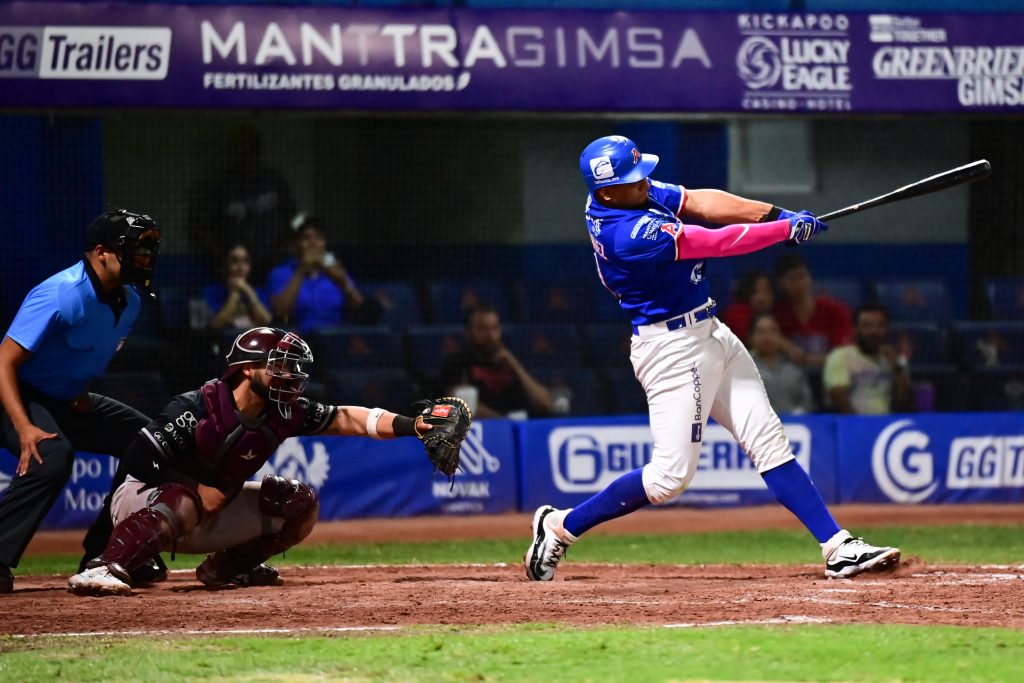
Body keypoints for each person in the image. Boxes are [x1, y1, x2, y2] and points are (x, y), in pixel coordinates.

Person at [524, 135, 899, 583]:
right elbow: (715, 242)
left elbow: (701, 202)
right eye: (632, 180)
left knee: (767, 439)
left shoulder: (626, 193)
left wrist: (775, 214)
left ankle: (837, 546)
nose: (643, 183)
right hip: (671, 349)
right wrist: (783, 232)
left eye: (642, 174)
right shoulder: (627, 233)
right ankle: (560, 526)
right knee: (669, 478)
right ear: (607, 191)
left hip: (710, 331)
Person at [67, 327, 458, 596]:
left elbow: (345, 417)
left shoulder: (284, 411)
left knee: (296, 503)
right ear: (248, 368)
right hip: (145, 500)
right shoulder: (197, 406)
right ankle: (105, 565)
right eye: (281, 365)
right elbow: (137, 457)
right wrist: (194, 487)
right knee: (180, 498)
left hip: (207, 510)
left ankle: (225, 568)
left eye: (293, 367)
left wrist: (414, 425)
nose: (291, 375)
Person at [0, 209, 162, 593]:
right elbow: (4, 361)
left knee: (153, 443)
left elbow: (82, 354)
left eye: (148, 250)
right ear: (101, 252)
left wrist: (77, 392)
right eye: (135, 249)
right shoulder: (60, 293)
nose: (144, 258)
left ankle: (109, 554)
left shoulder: (132, 302)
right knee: (50, 457)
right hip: (14, 394)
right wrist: (25, 427)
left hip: (65, 398)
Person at [186, 124, 297, 280]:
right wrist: (221, 257)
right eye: (240, 148)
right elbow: (199, 226)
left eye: (250, 148)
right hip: (231, 268)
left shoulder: (274, 181)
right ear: (232, 152)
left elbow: (295, 220)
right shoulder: (219, 185)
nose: (245, 154)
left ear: (258, 151)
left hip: (271, 264)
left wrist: (280, 252)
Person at [268, 213, 380, 333]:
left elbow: (361, 312)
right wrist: (301, 270)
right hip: (299, 341)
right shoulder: (280, 273)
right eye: (306, 238)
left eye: (319, 238)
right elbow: (279, 313)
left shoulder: (335, 271)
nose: (313, 243)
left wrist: (343, 282)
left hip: (334, 339)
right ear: (295, 245)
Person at [438, 304, 554, 419]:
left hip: (521, 425)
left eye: (495, 328)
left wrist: (514, 364)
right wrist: (504, 422)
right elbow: (462, 405)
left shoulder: (513, 359)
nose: (491, 336)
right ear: (468, 332)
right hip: (485, 429)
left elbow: (546, 403)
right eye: (482, 329)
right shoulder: (457, 362)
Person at [823, 304, 914, 415]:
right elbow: (838, 396)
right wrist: (859, 424)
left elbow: (906, 401)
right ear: (855, 330)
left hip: (886, 422)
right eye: (867, 326)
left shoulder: (895, 360)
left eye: (880, 326)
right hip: (851, 422)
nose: (874, 331)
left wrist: (896, 366)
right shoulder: (840, 356)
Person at [773, 253, 853, 368]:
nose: (798, 284)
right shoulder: (778, 313)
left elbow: (844, 352)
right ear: (781, 283)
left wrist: (806, 360)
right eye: (791, 279)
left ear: (810, 278)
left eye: (802, 276)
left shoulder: (835, 309)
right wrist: (784, 344)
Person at [748, 313, 815, 415]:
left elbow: (806, 404)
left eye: (773, 331)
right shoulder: (741, 367)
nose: (767, 337)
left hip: (792, 426)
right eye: (761, 332)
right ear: (751, 337)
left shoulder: (794, 370)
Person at [201, 244, 273, 332]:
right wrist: (235, 294)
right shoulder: (212, 292)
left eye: (245, 261)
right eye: (234, 261)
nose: (241, 267)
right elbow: (215, 325)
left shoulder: (259, 292)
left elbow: (267, 321)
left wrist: (249, 292)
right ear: (225, 265)